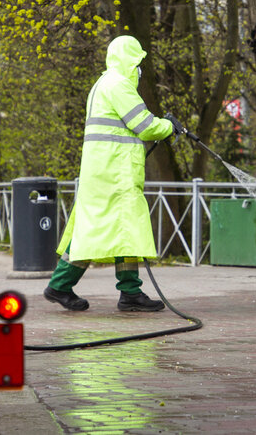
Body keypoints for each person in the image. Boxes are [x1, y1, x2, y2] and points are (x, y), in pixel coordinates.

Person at [43, 35, 184, 312]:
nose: (140, 69)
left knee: (95, 228)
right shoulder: (119, 84)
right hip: (115, 173)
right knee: (122, 227)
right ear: (130, 60)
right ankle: (125, 291)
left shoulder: (102, 83)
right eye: (139, 62)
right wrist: (169, 126)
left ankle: (65, 285)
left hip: (102, 170)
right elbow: (144, 125)